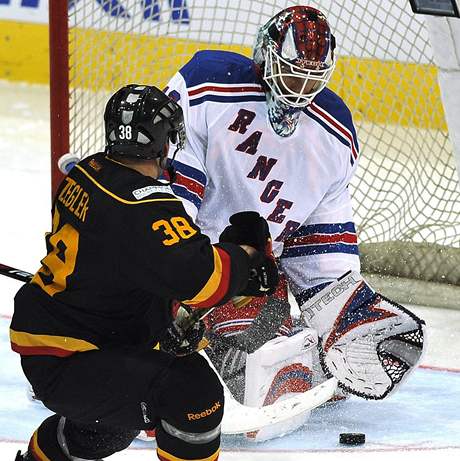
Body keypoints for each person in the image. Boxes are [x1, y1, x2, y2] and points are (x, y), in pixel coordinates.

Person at [163, 5, 426, 441]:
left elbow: (318, 246)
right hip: (179, 258)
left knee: (274, 369)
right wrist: (168, 283)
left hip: (248, 270)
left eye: (311, 77)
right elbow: (168, 200)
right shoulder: (205, 84)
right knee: (152, 348)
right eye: (291, 73)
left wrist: (343, 315)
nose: (300, 88)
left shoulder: (334, 134)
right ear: (266, 57)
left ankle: (270, 350)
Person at [10, 84, 279, 460]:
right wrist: (247, 258)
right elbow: (205, 281)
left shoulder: (87, 172)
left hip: (60, 339)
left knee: (111, 430)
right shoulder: (146, 205)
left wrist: (160, 320)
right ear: (161, 141)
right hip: (71, 356)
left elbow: (117, 268)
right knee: (192, 392)